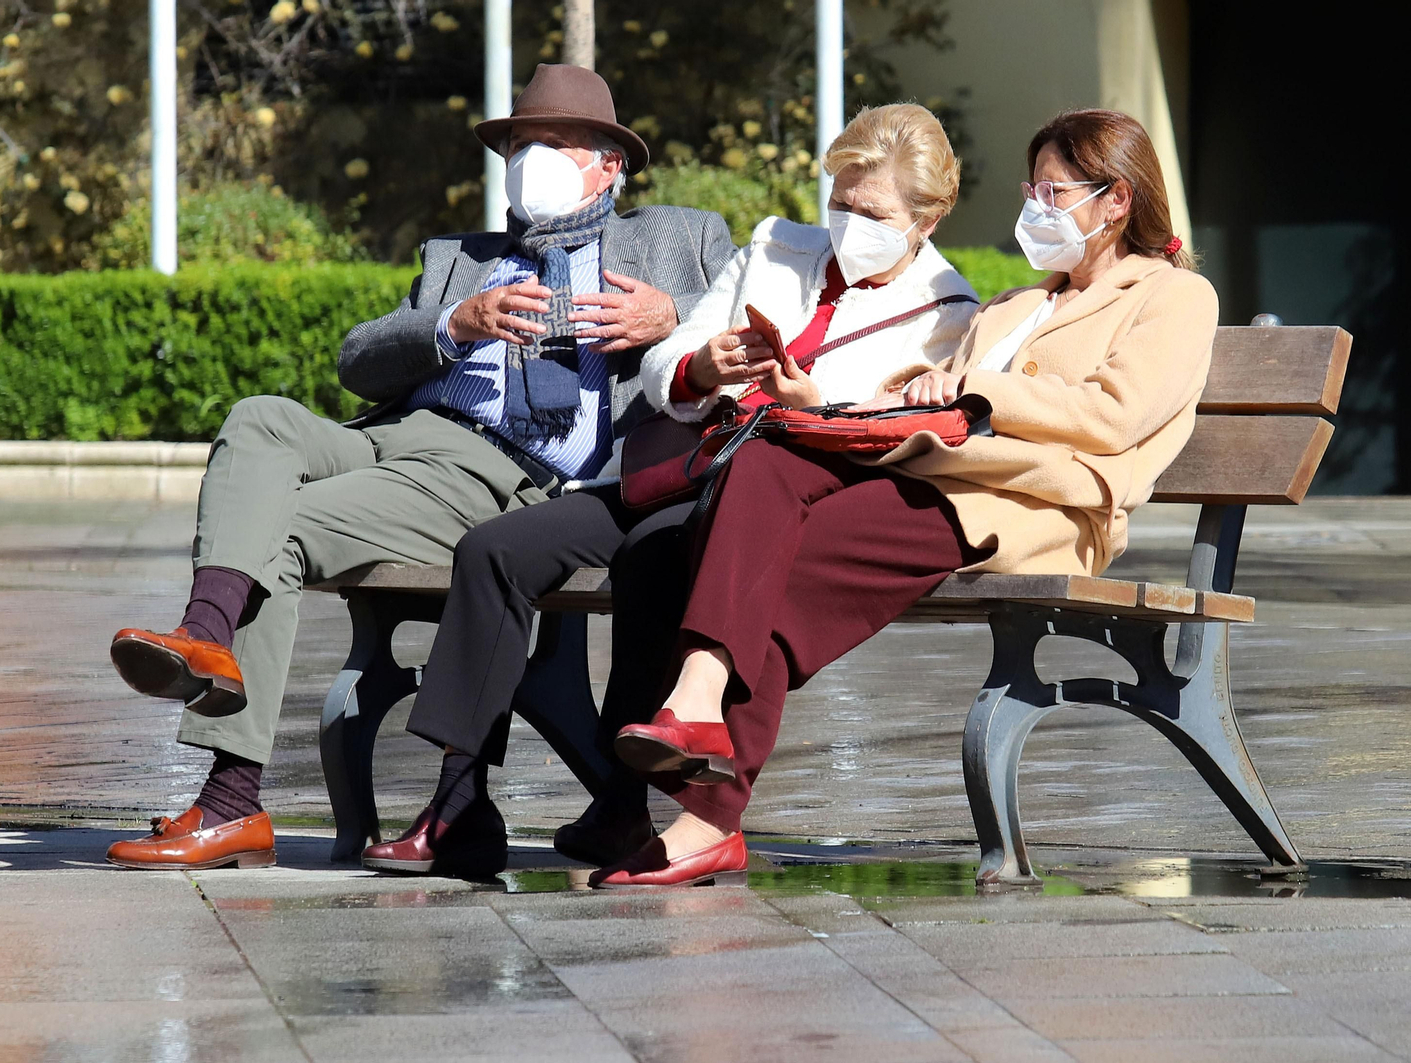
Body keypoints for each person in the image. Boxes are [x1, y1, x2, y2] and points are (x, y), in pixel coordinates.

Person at [102, 64, 736, 872]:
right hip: (393, 438)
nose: (531, 156)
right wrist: (452, 324)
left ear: (611, 163)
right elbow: (357, 359)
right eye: (519, 143)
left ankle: (231, 802)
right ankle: (205, 635)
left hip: (501, 473)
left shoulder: (677, 237)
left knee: (276, 532)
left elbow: (752, 317)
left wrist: (672, 316)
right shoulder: (459, 257)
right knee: (258, 417)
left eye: (556, 143)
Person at [591, 108, 1217, 889]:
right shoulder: (1021, 303)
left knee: (779, 571)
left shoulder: (1173, 296)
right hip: (936, 468)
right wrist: (834, 398)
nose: (1036, 207)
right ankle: (699, 703)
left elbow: (1113, 416)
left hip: (1031, 503)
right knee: (766, 464)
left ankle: (706, 815)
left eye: (1054, 192)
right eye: (1033, 189)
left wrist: (977, 388)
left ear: (1115, 199)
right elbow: (924, 393)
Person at [360, 103, 978, 878]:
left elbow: (884, 436)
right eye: (841, 202)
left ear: (927, 218)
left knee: (656, 555)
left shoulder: (948, 313)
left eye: (873, 212)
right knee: (493, 550)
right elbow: (670, 358)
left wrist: (810, 401)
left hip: (763, 492)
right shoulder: (776, 245)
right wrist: (703, 366)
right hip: (678, 462)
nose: (849, 222)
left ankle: (623, 803)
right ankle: (458, 803)